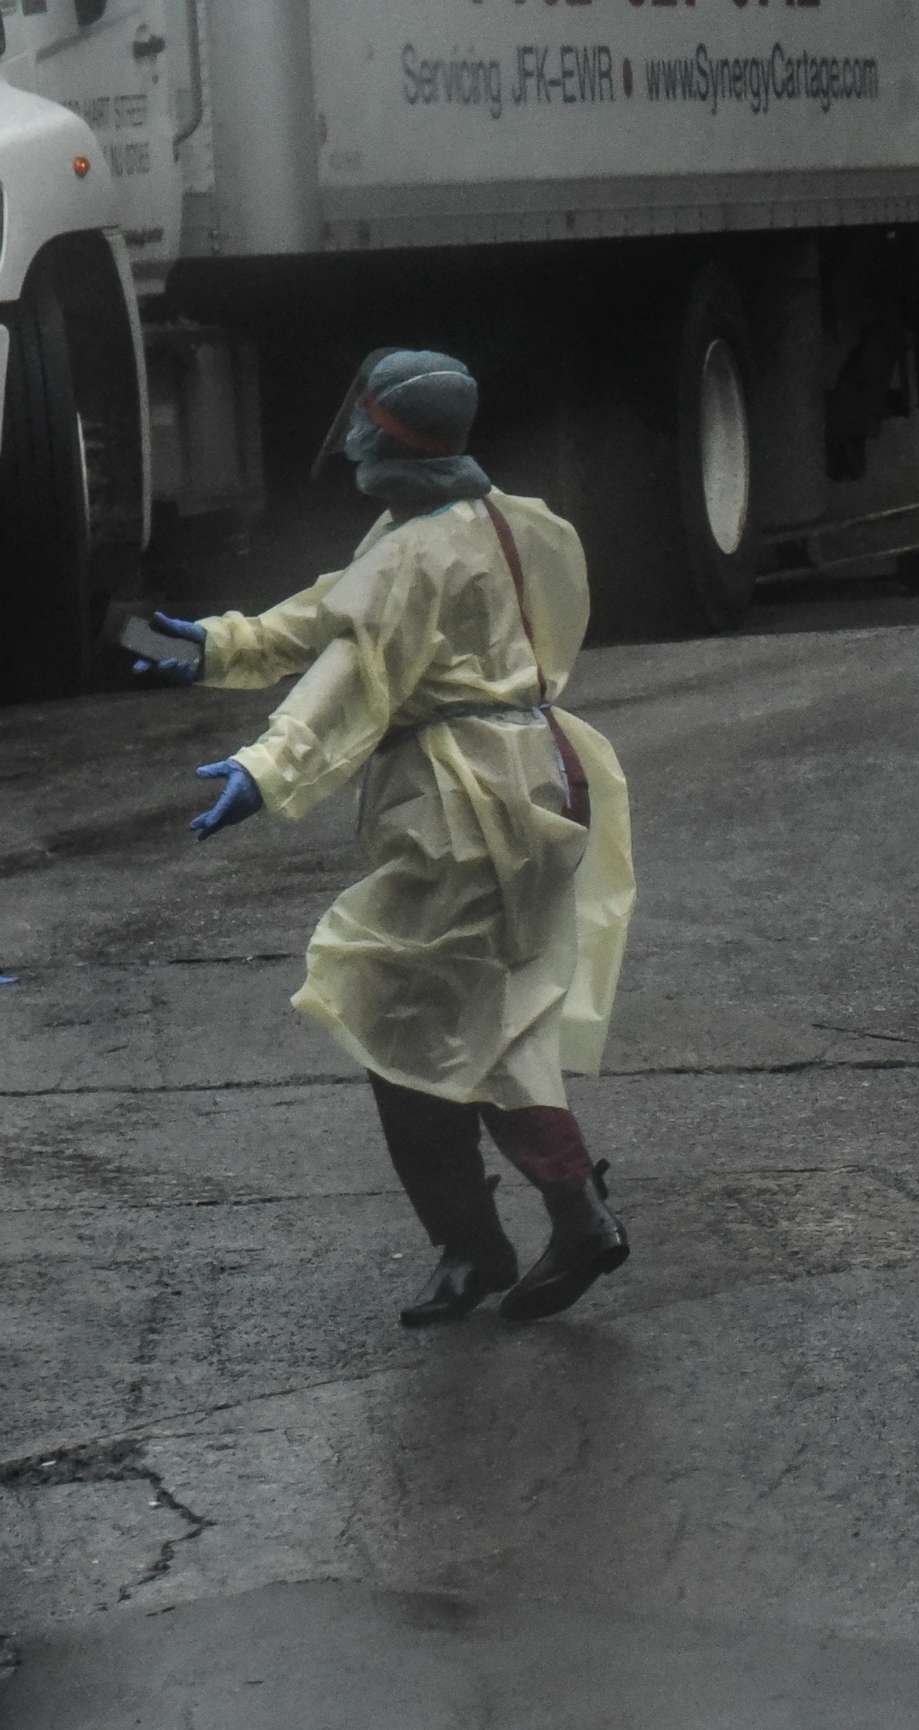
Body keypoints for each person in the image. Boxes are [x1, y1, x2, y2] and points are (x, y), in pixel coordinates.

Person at [134, 349, 638, 1327]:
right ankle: (559, 1218)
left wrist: (264, 766)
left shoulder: (417, 551)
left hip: (461, 808)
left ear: (383, 435)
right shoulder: (502, 517)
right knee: (499, 1017)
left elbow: (354, 666)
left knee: (394, 1015)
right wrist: (218, 643)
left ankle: (487, 1236)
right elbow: (341, 606)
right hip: (540, 778)